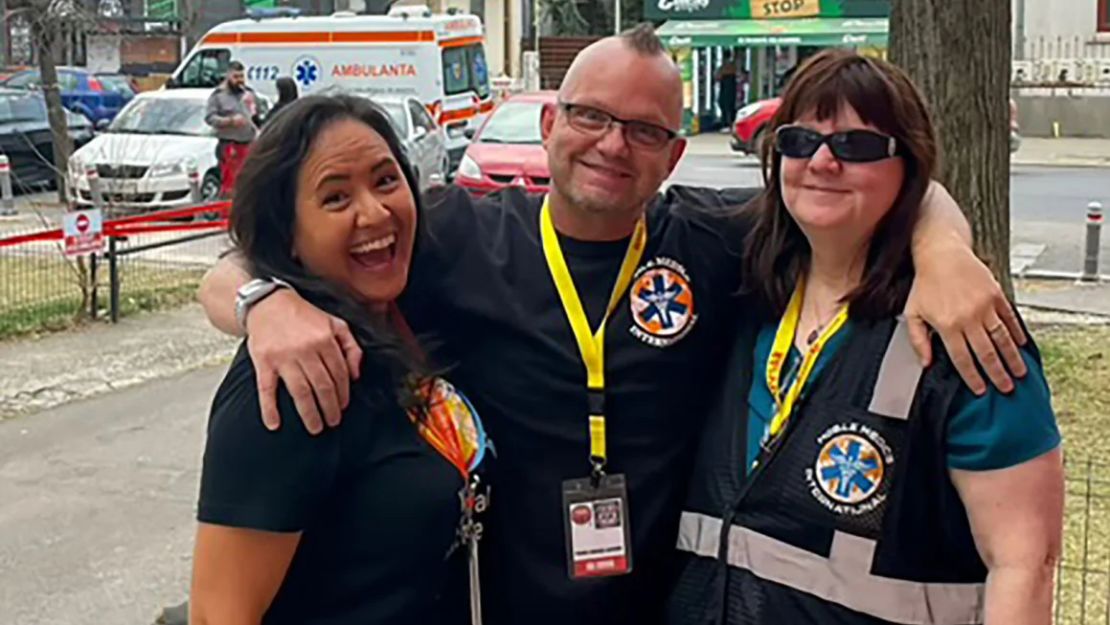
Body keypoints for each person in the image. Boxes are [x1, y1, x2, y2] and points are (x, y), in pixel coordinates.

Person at [196, 25, 1028, 625]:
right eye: (591, 117)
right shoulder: (453, 235)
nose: (612, 145)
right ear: (552, 125)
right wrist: (262, 303)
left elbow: (857, 188)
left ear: (672, 156)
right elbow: (256, 255)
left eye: (644, 130)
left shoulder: (713, 240)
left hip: (664, 605)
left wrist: (945, 248)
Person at [669, 50, 1063, 625]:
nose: (823, 161)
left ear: (909, 169)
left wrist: (942, 246)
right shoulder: (741, 278)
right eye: (800, 140)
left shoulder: (967, 334)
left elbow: (1025, 564)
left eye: (857, 146)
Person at [189, 94, 490, 625]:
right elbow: (219, 613)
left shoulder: (402, 312)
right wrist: (261, 302)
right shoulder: (290, 379)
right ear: (290, 237)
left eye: (385, 181)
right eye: (335, 198)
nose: (373, 213)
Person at [205, 61, 259, 198]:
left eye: (242, 76)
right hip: (230, 145)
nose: (239, 80)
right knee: (231, 184)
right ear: (228, 76)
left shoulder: (248, 94)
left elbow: (258, 116)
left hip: (249, 143)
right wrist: (230, 121)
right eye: (236, 77)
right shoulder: (218, 96)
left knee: (248, 182)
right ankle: (226, 214)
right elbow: (209, 118)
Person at [714, 51, 738, 131]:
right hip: (729, 90)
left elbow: (717, 76)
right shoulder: (731, 66)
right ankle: (729, 123)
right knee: (728, 106)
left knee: (727, 106)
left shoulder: (726, 67)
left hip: (727, 90)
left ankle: (727, 124)